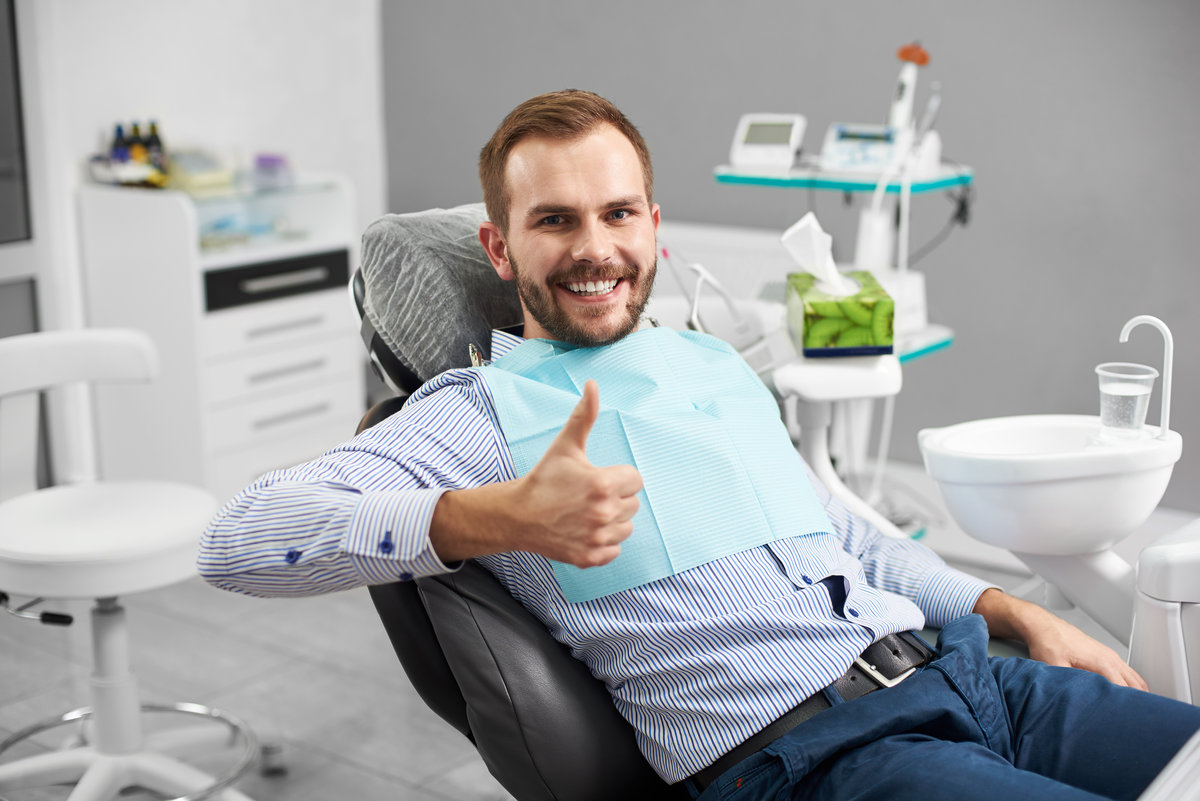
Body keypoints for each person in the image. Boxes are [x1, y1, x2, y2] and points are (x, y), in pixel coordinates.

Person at [199, 89, 1199, 800]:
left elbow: (844, 534)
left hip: (968, 676)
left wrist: (1013, 610)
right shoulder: (474, 414)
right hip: (817, 759)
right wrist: (491, 517)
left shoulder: (709, 362)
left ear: (652, 227)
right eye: (555, 221)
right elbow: (234, 540)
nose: (595, 247)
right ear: (500, 248)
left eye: (616, 213)